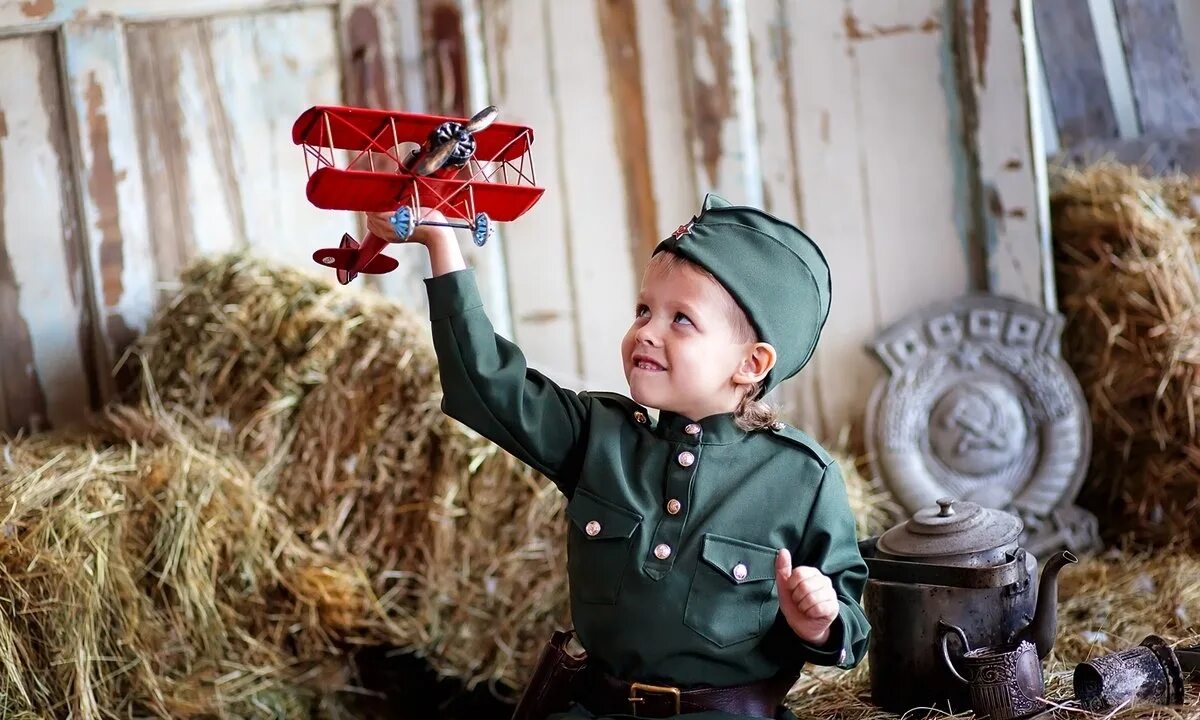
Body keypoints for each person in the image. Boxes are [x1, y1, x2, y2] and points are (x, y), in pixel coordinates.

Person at [364, 193, 870, 720]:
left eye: (681, 320)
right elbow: (485, 385)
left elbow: (854, 631)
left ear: (751, 363)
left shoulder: (801, 478)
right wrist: (441, 242)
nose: (646, 331)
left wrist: (820, 621)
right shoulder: (598, 435)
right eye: (644, 310)